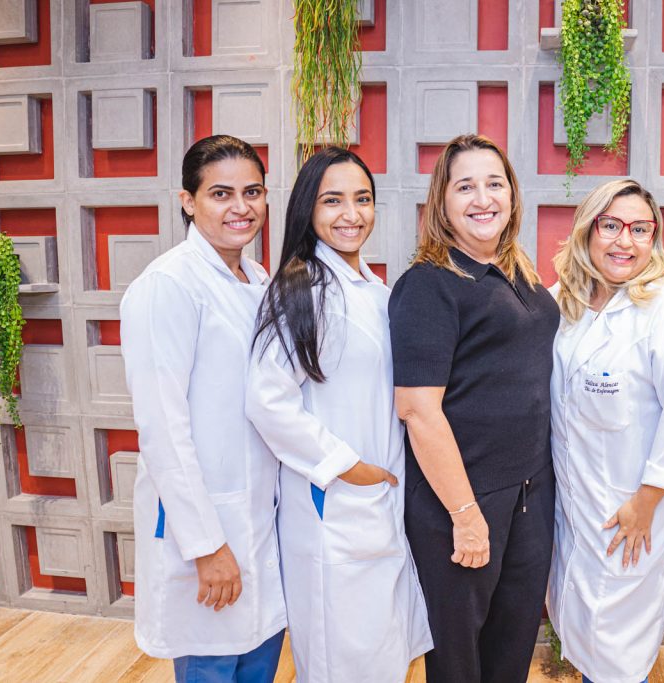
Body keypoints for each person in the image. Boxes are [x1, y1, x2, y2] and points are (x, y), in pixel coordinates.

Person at [245, 147, 432, 682]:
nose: (352, 214)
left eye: (362, 199)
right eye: (333, 201)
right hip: (338, 506)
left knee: (380, 656)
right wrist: (347, 466)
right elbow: (267, 398)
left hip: (379, 507)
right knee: (341, 664)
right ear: (308, 209)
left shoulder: (376, 290)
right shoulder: (302, 290)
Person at [388, 134, 559, 683]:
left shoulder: (517, 272)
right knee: (460, 660)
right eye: (465, 186)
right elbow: (417, 411)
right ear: (442, 202)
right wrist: (466, 518)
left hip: (530, 491)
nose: (482, 198)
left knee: (510, 648)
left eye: (495, 183)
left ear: (512, 194)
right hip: (464, 498)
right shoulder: (429, 285)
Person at [120, 135, 286, 682]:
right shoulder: (167, 285)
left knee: (258, 658)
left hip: (260, 519)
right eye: (221, 193)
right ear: (188, 201)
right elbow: (162, 428)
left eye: (253, 191)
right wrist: (208, 545)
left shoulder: (260, 281)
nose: (241, 207)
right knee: (211, 664)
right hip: (208, 527)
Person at [547, 179, 664, 683]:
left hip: (633, 510)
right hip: (574, 510)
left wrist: (645, 502)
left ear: (654, 240)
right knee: (581, 632)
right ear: (588, 230)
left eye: (640, 229)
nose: (625, 241)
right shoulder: (563, 303)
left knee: (619, 652)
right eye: (612, 226)